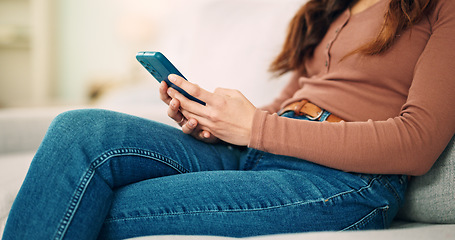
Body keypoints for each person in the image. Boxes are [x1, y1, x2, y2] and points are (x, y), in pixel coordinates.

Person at [3, 0, 455, 239]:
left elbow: (418, 143)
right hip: (264, 148)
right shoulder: (329, 7)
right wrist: (217, 122)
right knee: (79, 129)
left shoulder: (442, 8)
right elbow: (287, 104)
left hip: (345, 181)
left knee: (78, 198)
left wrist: (255, 128)